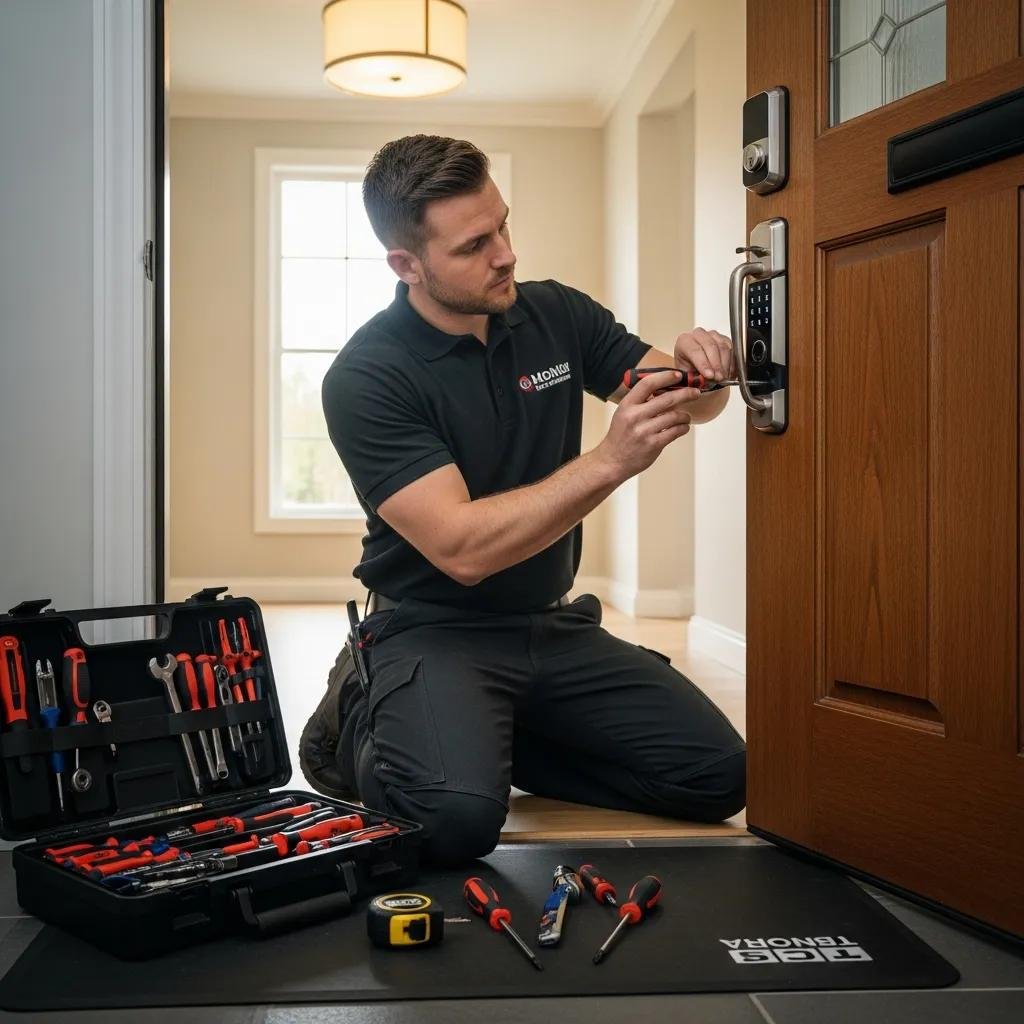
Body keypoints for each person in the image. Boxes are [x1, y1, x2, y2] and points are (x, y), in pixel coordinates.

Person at [302, 134, 745, 866]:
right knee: (453, 825)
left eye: (502, 224)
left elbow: (680, 400)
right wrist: (610, 461)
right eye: (475, 244)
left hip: (546, 628)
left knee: (716, 776)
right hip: (433, 626)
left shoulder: (555, 316)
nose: (505, 253)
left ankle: (493, 742)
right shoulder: (367, 375)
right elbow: (462, 550)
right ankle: (365, 717)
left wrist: (704, 372)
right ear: (407, 265)